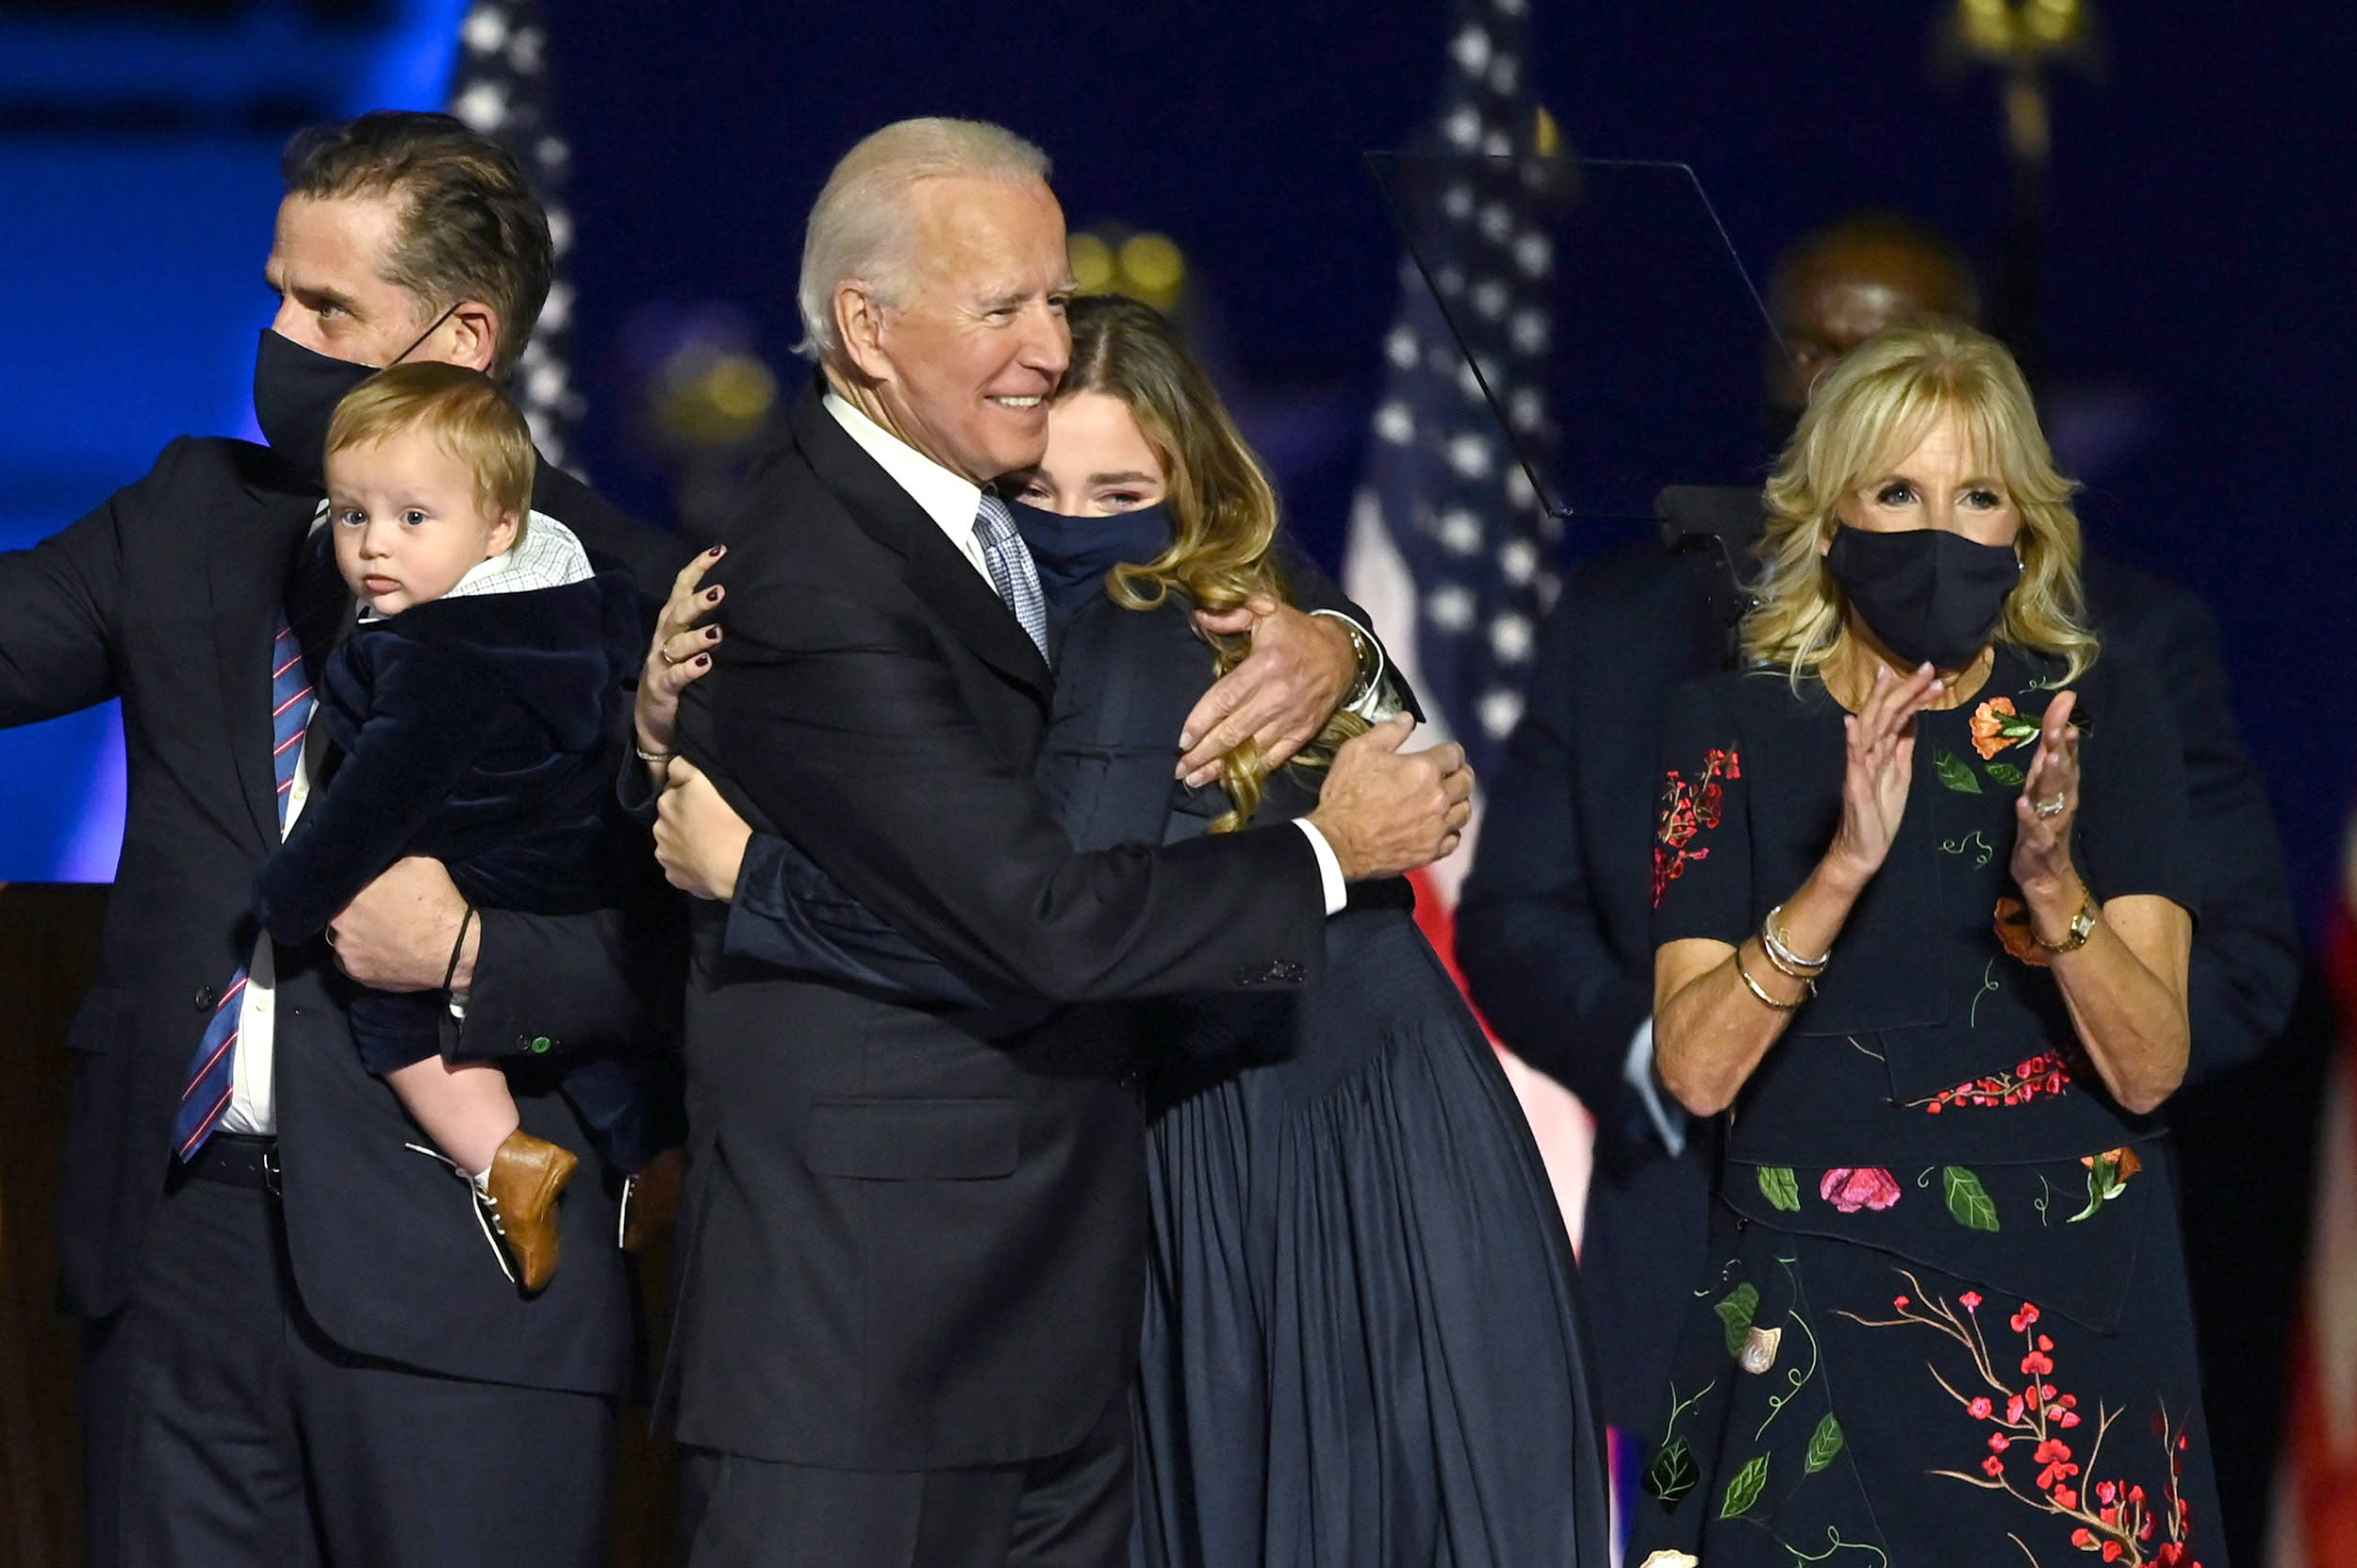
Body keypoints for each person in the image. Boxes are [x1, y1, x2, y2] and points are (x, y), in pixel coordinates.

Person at [649, 293, 1611, 1567]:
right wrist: (661, 725)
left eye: (1121, 495)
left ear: (1188, 491)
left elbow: (1046, 933)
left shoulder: (1163, 618)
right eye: (1042, 488)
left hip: (1306, 1131)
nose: (1078, 527)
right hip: (1200, 1119)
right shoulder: (1009, 618)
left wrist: (758, 877)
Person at [1456, 213, 2297, 1468]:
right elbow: (1518, 916)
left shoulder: (2118, 670)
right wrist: (1717, 1039)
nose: (1844, 376)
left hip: (2050, 1277)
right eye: (1815, 348)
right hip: (1727, 1252)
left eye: (1886, 349)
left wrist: (2015, 1069)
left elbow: (2234, 968)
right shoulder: (1649, 643)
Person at [0, 110, 681, 1567]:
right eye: (276, 293)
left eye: (327, 309)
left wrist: (478, 951)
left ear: (465, 334)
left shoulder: (622, 598)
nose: (280, 338)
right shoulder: (191, 517)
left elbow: (704, 949)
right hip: (179, 1271)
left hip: (464, 1279)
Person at [1625, 321, 2219, 1567]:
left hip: (2064, 1339)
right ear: (1827, 516)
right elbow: (1695, 1070)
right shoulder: (1728, 731)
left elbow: (2153, 1065)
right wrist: (1841, 868)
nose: (1941, 529)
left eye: (1979, 494)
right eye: (1898, 491)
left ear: (2028, 528)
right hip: (1811, 1323)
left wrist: (2051, 882)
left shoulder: (2102, 719)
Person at [250, 363, 652, 1292]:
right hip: (584, 854)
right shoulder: (567, 593)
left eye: (411, 518)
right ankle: (645, 1148)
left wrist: (288, 897)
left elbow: (375, 803)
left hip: (507, 869)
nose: (373, 546)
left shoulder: (436, 657)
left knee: (389, 1007)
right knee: (577, 1049)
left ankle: (504, 1158)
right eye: (352, 516)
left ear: (499, 525)